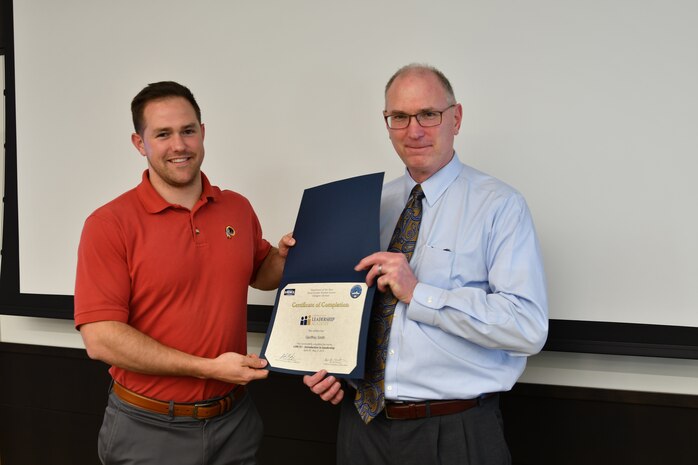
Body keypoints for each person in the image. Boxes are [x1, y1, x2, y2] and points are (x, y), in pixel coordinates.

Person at [304, 64, 548, 465]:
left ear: (456, 118)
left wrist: (418, 293)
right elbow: (352, 310)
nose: (413, 130)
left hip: (455, 432)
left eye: (428, 115)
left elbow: (527, 326)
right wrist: (331, 366)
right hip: (362, 427)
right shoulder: (369, 205)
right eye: (399, 117)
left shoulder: (499, 206)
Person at [74, 81, 294, 465]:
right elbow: (101, 340)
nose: (179, 145)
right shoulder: (109, 224)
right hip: (149, 429)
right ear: (140, 143)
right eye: (163, 134)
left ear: (202, 133)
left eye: (188, 130)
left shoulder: (236, 209)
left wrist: (287, 256)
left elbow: (260, 273)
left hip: (235, 422)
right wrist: (208, 368)